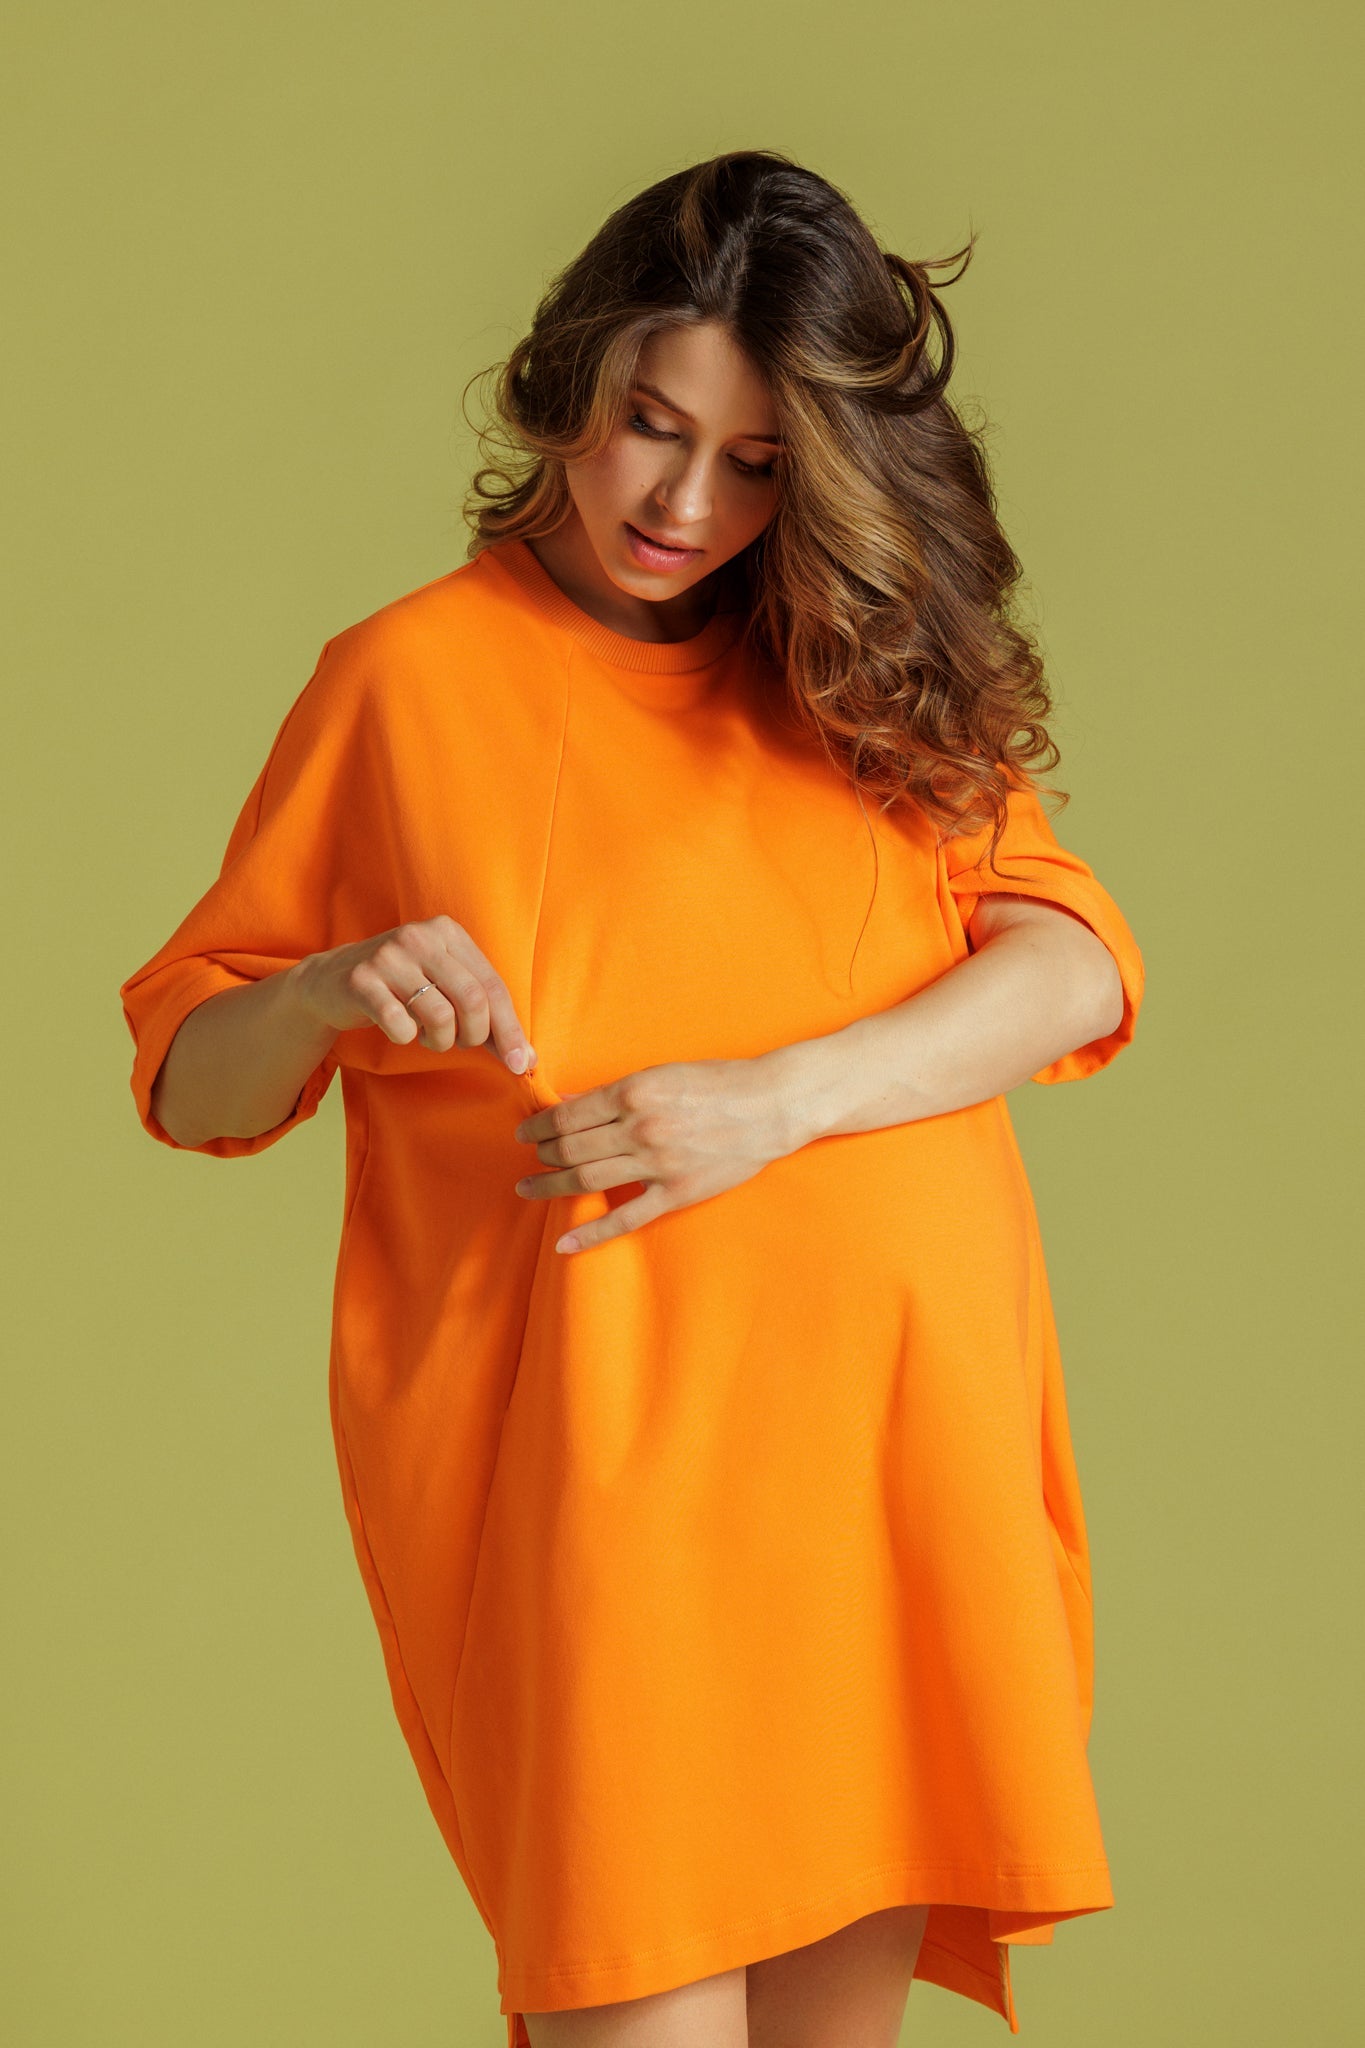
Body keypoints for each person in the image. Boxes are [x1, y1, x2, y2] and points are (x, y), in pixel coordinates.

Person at [119, 149, 1145, 2048]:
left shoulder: (854, 670)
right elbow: (191, 1078)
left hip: (885, 1474)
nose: (683, 506)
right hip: (602, 1502)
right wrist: (329, 990)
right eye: (649, 429)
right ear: (569, 377)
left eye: (754, 464)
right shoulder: (408, 681)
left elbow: (1072, 967)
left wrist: (774, 1103)